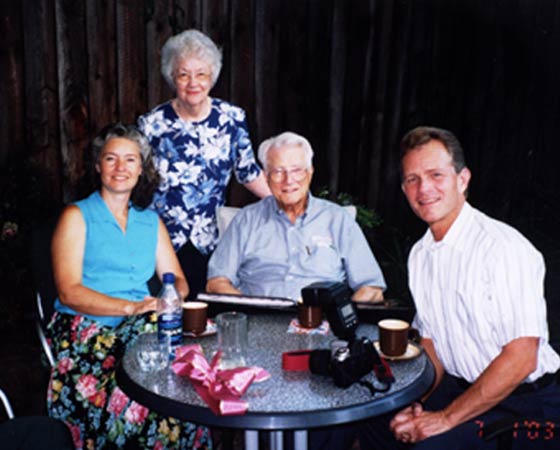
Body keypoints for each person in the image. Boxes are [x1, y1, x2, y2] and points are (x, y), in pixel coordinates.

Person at [361, 126, 560, 449]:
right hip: (461, 389)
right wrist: (417, 403)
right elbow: (432, 345)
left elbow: (523, 357)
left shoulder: (502, 248)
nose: (424, 188)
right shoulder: (421, 255)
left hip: (523, 402)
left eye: (436, 174)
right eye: (412, 179)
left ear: (462, 179)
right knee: (378, 424)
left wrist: (444, 419)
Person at [47, 124, 212, 449]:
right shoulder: (77, 216)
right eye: (111, 159)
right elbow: (69, 292)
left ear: (141, 169)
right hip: (87, 327)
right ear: (98, 166)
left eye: (130, 160)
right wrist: (132, 307)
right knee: (141, 390)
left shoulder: (150, 221)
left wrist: (167, 299)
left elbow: (179, 281)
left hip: (142, 324)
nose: (121, 168)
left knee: (183, 381)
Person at [138, 29, 271, 301]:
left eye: (201, 74)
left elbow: (247, 172)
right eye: (183, 74)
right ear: (171, 77)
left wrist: (286, 203)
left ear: (212, 76)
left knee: (205, 314)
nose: (193, 83)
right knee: (166, 310)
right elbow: (135, 178)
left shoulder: (231, 118)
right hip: (161, 240)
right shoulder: (152, 123)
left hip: (209, 239)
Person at [207, 131, 386, 303]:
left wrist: (340, 317)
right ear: (267, 177)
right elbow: (216, 283)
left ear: (310, 172)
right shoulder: (245, 220)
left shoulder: (338, 219)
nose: (288, 180)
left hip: (324, 325)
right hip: (259, 321)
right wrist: (250, 310)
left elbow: (371, 289)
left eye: (297, 170)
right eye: (278, 171)